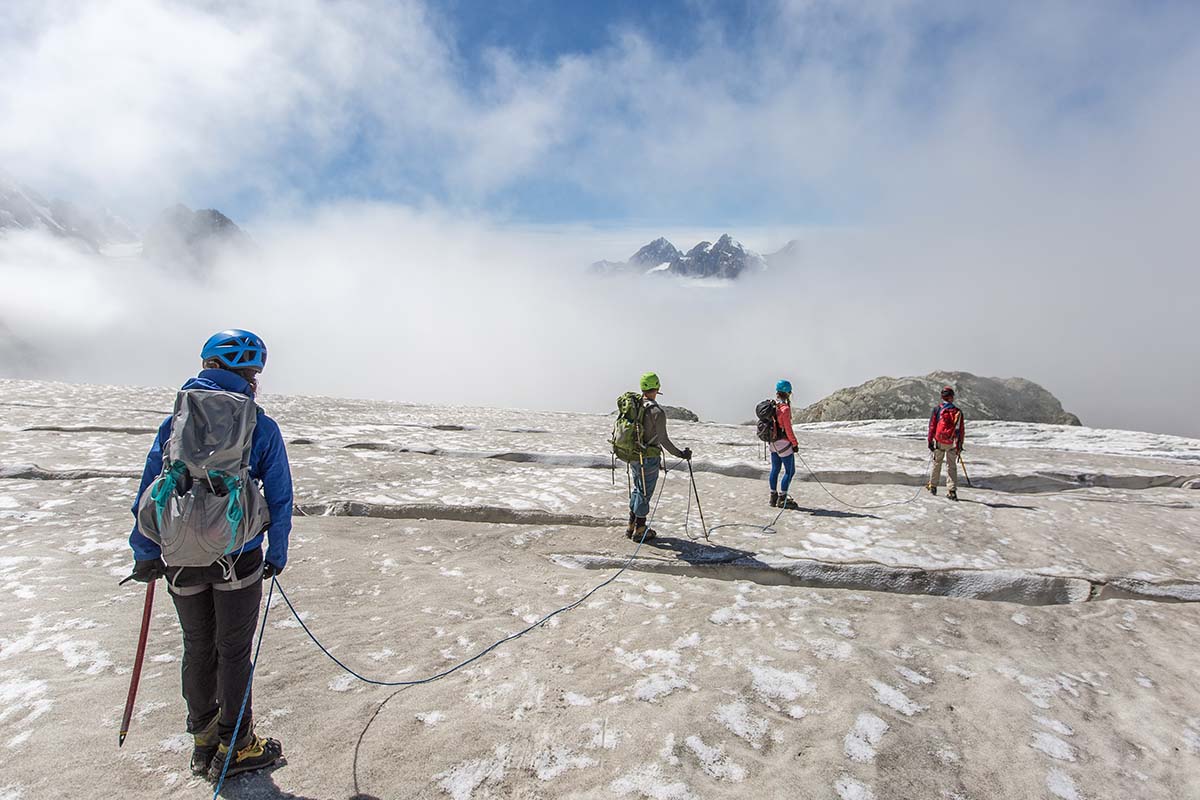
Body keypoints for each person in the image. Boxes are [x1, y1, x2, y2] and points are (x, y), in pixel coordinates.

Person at [126, 329, 292, 780]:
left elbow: (150, 488)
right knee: (233, 651)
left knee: (197, 646)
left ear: (207, 365)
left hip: (180, 553)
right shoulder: (260, 425)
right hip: (238, 555)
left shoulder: (176, 422)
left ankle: (203, 740)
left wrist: (145, 550)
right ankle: (236, 746)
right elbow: (279, 496)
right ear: (252, 374)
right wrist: (277, 551)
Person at [626, 372, 692, 541]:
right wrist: (681, 454)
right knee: (644, 493)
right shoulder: (657, 412)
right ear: (657, 387)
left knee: (638, 489)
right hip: (648, 457)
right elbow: (664, 440)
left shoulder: (635, 406)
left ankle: (631, 525)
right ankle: (640, 530)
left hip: (634, 455)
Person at [926, 385, 965, 501]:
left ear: (942, 397)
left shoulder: (937, 409)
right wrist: (960, 445)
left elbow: (932, 426)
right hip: (952, 442)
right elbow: (961, 430)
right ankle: (951, 491)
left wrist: (930, 441)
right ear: (952, 397)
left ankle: (933, 486)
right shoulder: (957, 412)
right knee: (951, 466)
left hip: (939, 440)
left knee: (937, 463)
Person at [769, 380, 801, 509]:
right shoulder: (785, 409)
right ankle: (782, 498)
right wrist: (794, 443)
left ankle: (773, 497)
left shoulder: (773, 407)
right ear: (787, 392)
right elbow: (788, 429)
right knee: (790, 471)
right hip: (783, 444)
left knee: (775, 469)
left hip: (773, 443)